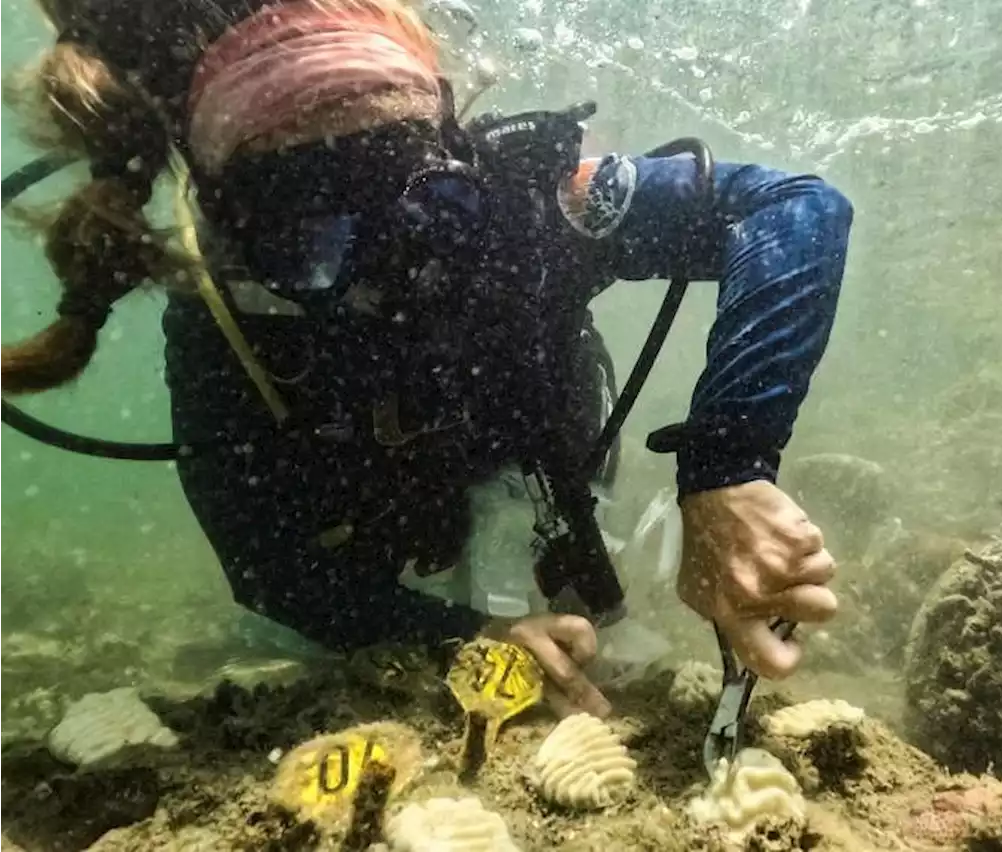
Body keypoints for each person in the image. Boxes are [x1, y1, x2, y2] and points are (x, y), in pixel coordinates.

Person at [0, 0, 853, 719]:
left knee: (576, 601)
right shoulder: (225, 315)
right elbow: (268, 567)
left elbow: (792, 208)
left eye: (427, 205)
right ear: (235, 228)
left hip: (530, 452)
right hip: (367, 528)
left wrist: (728, 466)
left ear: (457, 148)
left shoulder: (530, 202)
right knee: (300, 647)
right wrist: (460, 639)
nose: (395, 266)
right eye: (313, 232)